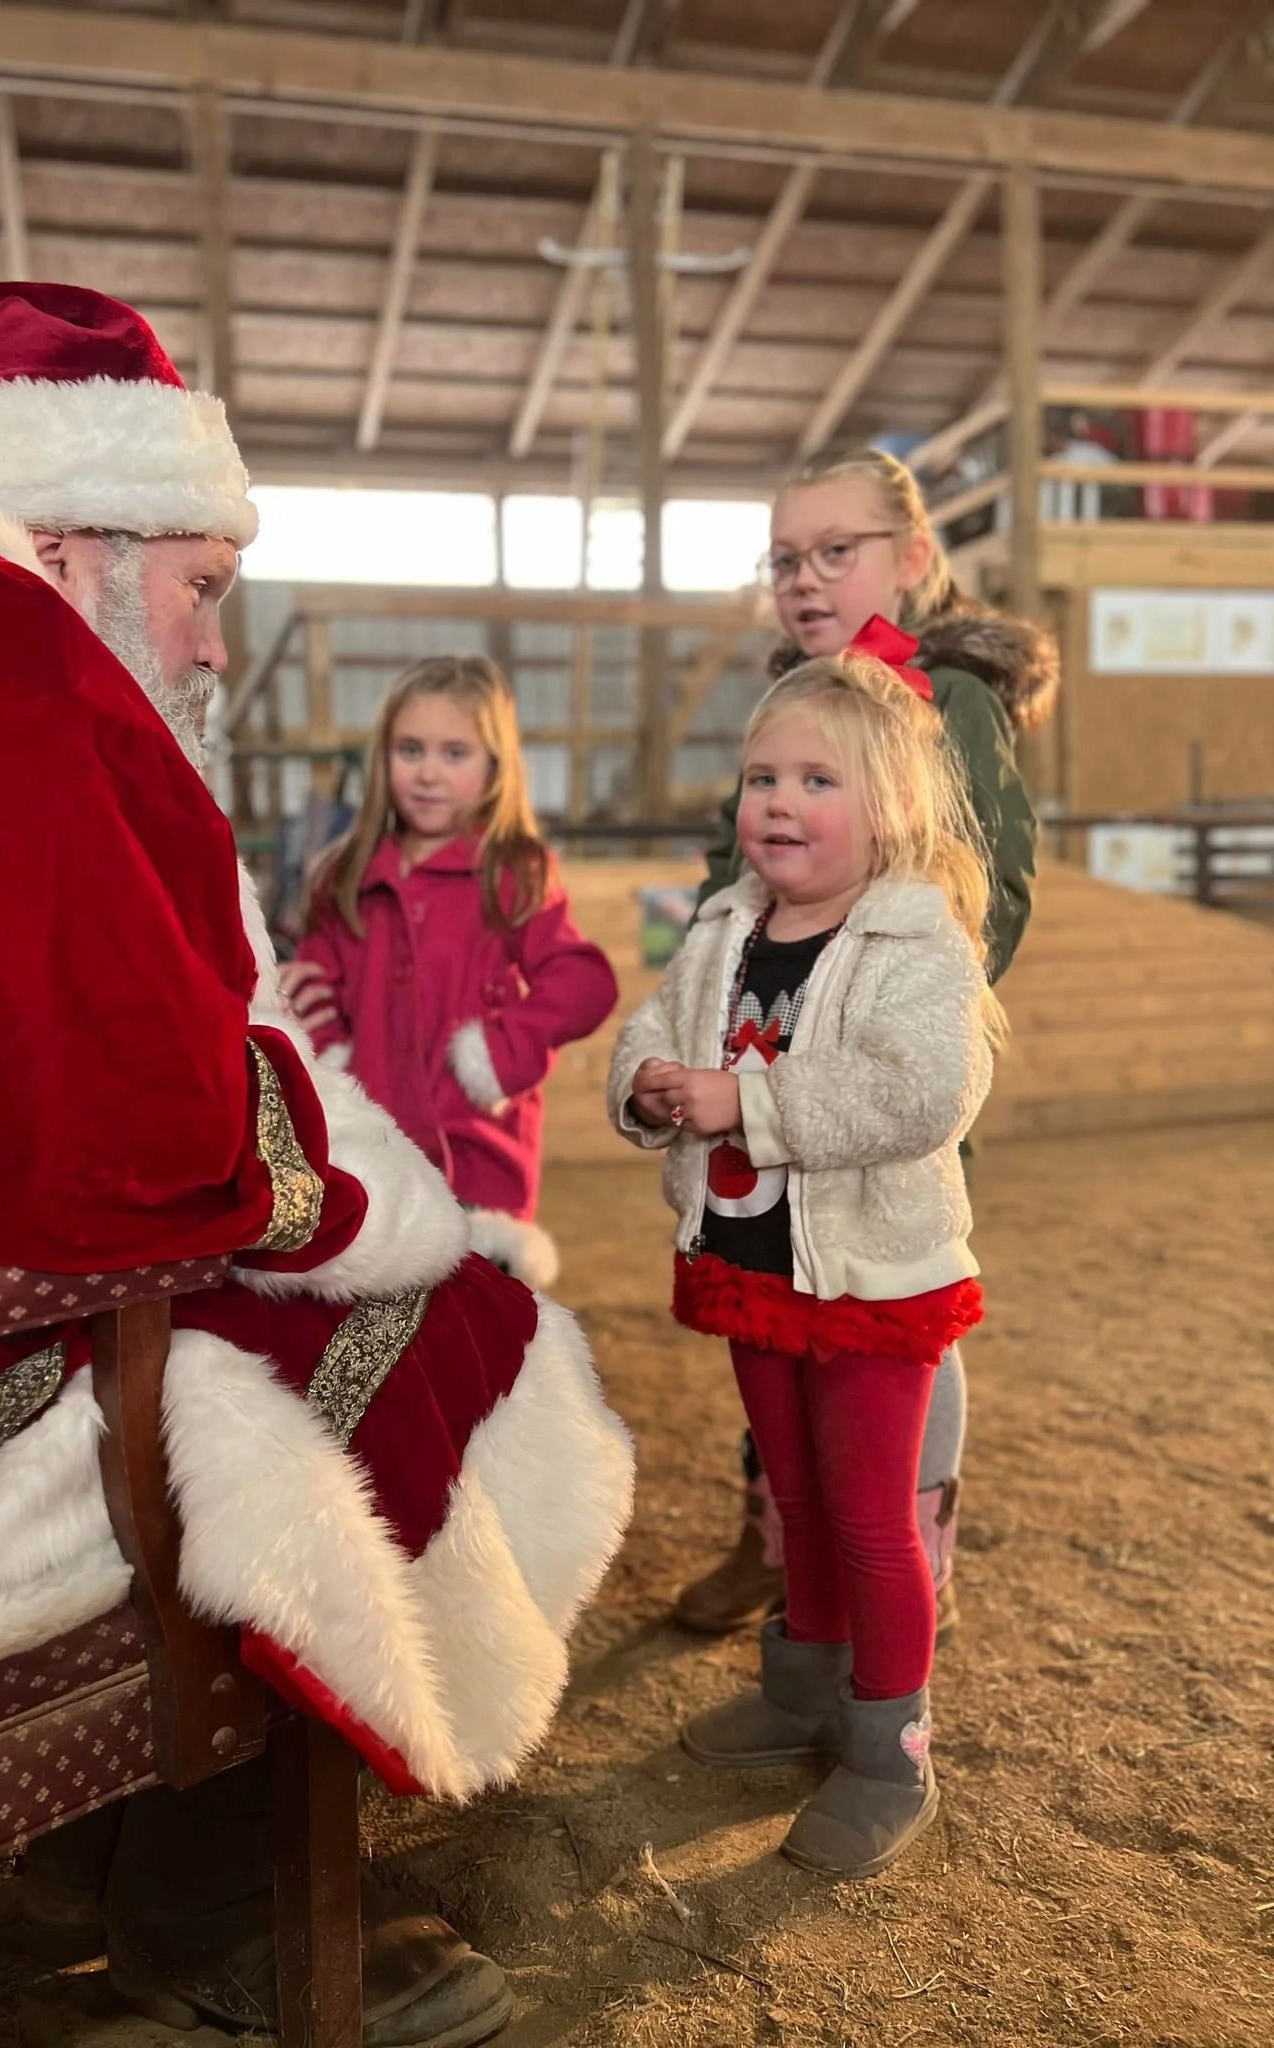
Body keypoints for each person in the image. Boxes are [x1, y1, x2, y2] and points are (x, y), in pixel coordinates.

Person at [0, 283, 635, 2046]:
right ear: (67, 539)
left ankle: (112, 1845)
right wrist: (359, 1196)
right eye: (200, 587)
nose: (214, 647)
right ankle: (220, 1897)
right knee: (424, 1323)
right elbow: (107, 1147)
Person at [607, 646, 1000, 1878]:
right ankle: (803, 1681)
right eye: (761, 775)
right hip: (755, 1266)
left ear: (888, 809)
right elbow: (649, 1028)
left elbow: (925, 1091)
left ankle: (891, 1745)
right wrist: (649, 1086)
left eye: (816, 779)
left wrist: (747, 1101)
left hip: (875, 1284)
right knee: (793, 1495)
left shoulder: (916, 940)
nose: (777, 801)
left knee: (874, 1514)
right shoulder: (725, 925)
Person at [671, 445, 1057, 1643]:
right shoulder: (795, 700)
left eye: (838, 551)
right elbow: (732, 870)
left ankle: (903, 1543)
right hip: (763, 1072)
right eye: (787, 558)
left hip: (885, 1083)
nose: (806, 576)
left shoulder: (953, 697)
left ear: (915, 559)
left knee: (894, 1301)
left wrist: (873, 1022)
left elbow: (993, 885)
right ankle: (781, 1535)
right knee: (772, 1290)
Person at [280, 656, 618, 1288]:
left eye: (454, 753)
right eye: (411, 749)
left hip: (478, 1164)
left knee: (470, 1341)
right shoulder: (344, 873)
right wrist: (336, 1060)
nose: (429, 773)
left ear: (494, 766)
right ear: (384, 758)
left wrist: (500, 1051)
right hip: (371, 1151)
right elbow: (310, 989)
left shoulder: (514, 871)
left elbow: (584, 980)